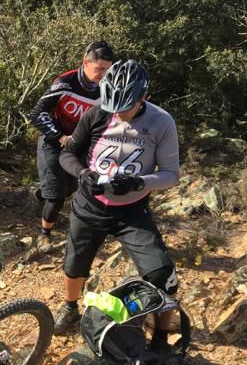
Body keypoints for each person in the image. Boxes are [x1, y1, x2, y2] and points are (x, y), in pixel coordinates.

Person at [54, 59, 179, 335]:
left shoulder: (161, 122)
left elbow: (171, 174)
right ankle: (70, 307)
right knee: (74, 264)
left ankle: (160, 335)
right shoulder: (98, 113)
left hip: (131, 211)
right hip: (90, 204)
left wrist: (138, 182)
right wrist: (83, 174)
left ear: (143, 96)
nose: (118, 113)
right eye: (113, 107)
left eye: (126, 107)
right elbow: (67, 154)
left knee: (162, 275)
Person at [29, 41, 115, 252]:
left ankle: (40, 193)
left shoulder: (107, 89)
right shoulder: (65, 83)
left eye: (107, 69)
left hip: (79, 144)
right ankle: (44, 235)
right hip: (53, 141)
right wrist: (59, 136)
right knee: (57, 195)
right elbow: (37, 113)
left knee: (72, 187)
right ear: (86, 62)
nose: (103, 74)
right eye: (99, 69)